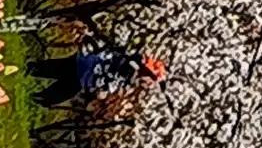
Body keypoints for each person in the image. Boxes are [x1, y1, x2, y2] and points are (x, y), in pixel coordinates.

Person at [29, 40, 167, 111]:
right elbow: (118, 70)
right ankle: (29, 91)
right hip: (84, 71)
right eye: (151, 81)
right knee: (51, 90)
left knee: (49, 82)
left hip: (84, 73)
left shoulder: (131, 72)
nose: (149, 85)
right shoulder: (132, 66)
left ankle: (28, 88)